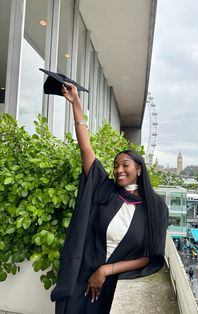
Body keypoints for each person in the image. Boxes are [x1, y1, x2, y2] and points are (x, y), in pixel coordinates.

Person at [50, 83, 169, 314]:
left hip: (112, 284)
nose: (118, 170)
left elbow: (149, 256)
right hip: (81, 277)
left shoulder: (155, 208)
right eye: (116, 166)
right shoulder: (106, 191)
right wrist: (76, 103)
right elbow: (86, 151)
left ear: (139, 169)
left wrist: (105, 270)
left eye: (125, 165)